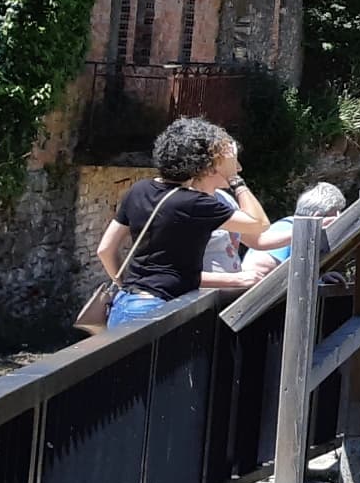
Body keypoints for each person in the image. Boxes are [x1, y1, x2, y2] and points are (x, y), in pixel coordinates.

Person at [96, 117, 271, 329]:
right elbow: (259, 223)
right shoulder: (195, 203)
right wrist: (234, 177)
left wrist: (128, 285)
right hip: (158, 311)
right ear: (205, 163)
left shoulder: (139, 190)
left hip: (125, 304)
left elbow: (105, 250)